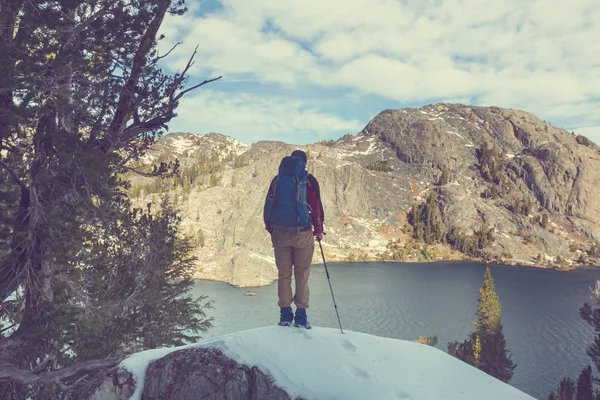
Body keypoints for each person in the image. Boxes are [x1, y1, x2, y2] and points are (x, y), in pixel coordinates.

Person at [263, 149, 324, 329]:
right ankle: (302, 317)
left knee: (284, 275)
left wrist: (272, 229)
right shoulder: (308, 180)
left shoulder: (277, 180)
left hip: (279, 233)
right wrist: (319, 231)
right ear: (304, 163)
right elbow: (317, 208)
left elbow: (267, 207)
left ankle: (285, 315)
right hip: (302, 233)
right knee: (302, 274)